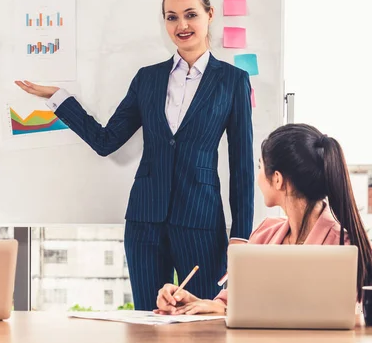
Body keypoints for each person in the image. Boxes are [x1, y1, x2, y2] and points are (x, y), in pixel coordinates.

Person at [15, 0, 254, 309]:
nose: (182, 25)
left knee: (203, 323)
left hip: (201, 221)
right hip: (145, 221)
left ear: (209, 15)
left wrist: (241, 233)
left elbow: (242, 164)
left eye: (190, 15)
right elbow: (106, 141)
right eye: (171, 17)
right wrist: (59, 98)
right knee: (147, 320)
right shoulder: (148, 79)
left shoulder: (232, 80)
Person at [155, 124, 372, 315]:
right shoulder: (265, 233)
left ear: (277, 179)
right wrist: (194, 303)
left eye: (260, 167)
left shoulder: (343, 245)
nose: (258, 177)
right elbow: (235, 302)